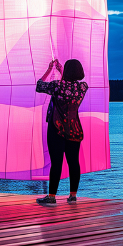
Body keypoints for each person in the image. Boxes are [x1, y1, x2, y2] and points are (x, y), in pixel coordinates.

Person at [35, 58, 88, 205]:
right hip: (75, 129)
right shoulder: (83, 87)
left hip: (57, 129)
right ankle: (73, 196)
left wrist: (49, 70)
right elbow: (70, 86)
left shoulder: (57, 86)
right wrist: (62, 71)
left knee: (56, 163)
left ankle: (51, 197)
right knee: (74, 162)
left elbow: (39, 86)